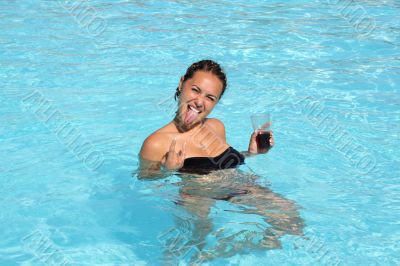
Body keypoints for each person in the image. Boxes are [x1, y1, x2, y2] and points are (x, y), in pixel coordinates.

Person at [138, 59, 274, 177]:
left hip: (245, 191)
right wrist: (167, 171)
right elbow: (144, 179)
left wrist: (251, 153)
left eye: (210, 98)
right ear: (181, 83)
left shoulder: (216, 126)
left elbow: (221, 166)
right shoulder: (156, 143)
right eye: (195, 90)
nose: (199, 102)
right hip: (198, 203)